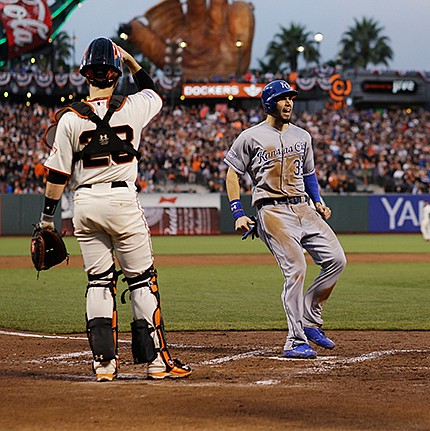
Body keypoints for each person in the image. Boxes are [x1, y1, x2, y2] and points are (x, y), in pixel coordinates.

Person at [39, 37, 192, 382]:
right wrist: (134, 61)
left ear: (85, 74)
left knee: (98, 281)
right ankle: (157, 362)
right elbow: (154, 90)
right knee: (141, 281)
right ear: (116, 73)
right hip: (122, 201)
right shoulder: (132, 107)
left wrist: (47, 218)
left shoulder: (69, 119)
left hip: (85, 202)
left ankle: (104, 365)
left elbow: (57, 174)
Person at [225, 80, 347, 359]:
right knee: (296, 268)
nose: (289, 103)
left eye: (291, 98)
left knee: (337, 260)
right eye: (283, 98)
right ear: (270, 103)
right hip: (272, 211)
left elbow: (309, 174)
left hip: (304, 208)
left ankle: (310, 319)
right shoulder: (250, 136)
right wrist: (237, 212)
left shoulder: (303, 136)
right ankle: (295, 340)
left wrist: (318, 202)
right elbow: (232, 173)